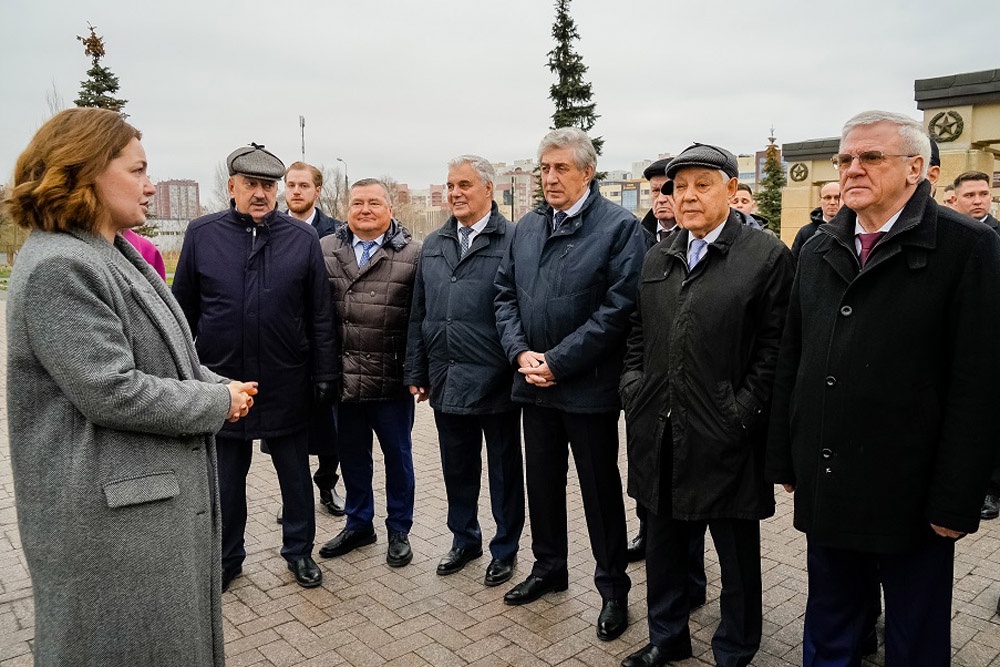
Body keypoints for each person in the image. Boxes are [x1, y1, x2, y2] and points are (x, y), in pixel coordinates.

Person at [3, 107, 256, 666]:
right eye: (138, 171)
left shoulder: (109, 251)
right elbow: (111, 389)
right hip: (110, 526)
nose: (150, 186)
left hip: (136, 515)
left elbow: (170, 355)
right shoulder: (60, 265)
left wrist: (220, 383)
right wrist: (216, 400)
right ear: (86, 170)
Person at [767, 110, 1000, 666]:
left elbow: (980, 384)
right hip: (829, 477)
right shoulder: (820, 247)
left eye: (871, 157)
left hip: (914, 493)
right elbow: (792, 357)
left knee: (914, 635)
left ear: (916, 168)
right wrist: (785, 456)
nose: (852, 169)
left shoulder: (967, 248)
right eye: (846, 158)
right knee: (831, 621)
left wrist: (957, 495)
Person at [620, 143, 793, 667]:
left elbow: (775, 347)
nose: (688, 196)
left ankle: (736, 647)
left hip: (727, 431)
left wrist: (741, 412)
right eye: (679, 186)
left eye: (703, 184)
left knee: (736, 551)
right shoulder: (660, 253)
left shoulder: (764, 257)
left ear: (731, 191)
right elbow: (637, 330)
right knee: (665, 546)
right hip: (660, 426)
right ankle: (666, 636)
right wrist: (634, 389)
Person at [494, 127, 646, 642]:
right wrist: (520, 352)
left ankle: (613, 590)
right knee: (542, 483)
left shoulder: (620, 228)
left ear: (587, 173)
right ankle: (549, 568)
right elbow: (504, 296)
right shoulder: (527, 227)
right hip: (534, 385)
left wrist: (559, 361)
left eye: (561, 168)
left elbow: (620, 308)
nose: (551, 178)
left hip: (588, 388)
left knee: (599, 493)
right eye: (545, 169)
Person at [173, 143, 338, 591]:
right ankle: (228, 558)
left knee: (294, 476)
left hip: (286, 377)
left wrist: (325, 374)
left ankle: (298, 552)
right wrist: (180, 374)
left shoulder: (301, 239)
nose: (261, 193)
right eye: (251, 184)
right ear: (232, 186)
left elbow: (319, 313)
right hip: (222, 380)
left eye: (269, 185)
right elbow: (181, 310)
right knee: (227, 481)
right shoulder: (202, 234)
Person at [404, 155, 525, 586]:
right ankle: (464, 538)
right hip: (447, 375)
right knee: (457, 466)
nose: (454, 193)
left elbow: (521, 309)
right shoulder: (434, 243)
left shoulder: (513, 239)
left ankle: (505, 547)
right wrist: (416, 369)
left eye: (464, 185)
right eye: (450, 185)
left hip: (496, 378)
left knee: (505, 469)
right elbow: (420, 312)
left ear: (488, 190)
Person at [318, 178, 421, 568]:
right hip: (343, 379)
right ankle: (359, 523)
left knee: (399, 458)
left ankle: (399, 529)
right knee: (353, 457)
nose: (365, 209)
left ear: (389, 210)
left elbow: (418, 321)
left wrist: (415, 371)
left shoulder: (413, 254)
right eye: (357, 202)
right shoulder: (325, 249)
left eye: (374, 203)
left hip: (390, 378)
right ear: (347, 209)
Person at [283, 161, 346, 518]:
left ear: (317, 191)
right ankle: (293, 495)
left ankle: (327, 483)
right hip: (285, 346)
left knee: (329, 426)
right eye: (291, 185)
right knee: (287, 426)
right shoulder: (270, 229)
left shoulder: (335, 232)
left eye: (303, 185)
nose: (295, 191)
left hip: (325, 343)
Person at [951, 171, 1000, 521]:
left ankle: (992, 488)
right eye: (970, 195)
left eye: (984, 193)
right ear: (956, 198)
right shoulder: (948, 236)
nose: (979, 200)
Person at [790, 182, 842, 262]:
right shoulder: (806, 233)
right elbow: (793, 265)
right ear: (820, 201)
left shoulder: (853, 230)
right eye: (827, 197)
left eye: (837, 198)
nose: (832, 202)